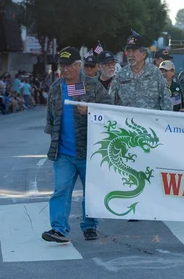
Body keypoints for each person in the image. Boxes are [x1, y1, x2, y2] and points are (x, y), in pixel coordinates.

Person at [42, 47, 113, 243]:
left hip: (88, 150)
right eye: (61, 66)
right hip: (63, 152)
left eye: (68, 66)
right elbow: (50, 116)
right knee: (61, 190)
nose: (64, 69)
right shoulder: (56, 87)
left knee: (90, 191)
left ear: (78, 65)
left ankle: (90, 225)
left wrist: (90, 110)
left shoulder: (92, 85)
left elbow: (109, 108)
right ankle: (59, 229)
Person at [109, 32, 172, 111]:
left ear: (144, 54)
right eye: (128, 51)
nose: (130, 54)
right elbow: (111, 102)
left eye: (134, 51)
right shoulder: (120, 75)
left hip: (151, 121)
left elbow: (166, 100)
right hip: (126, 121)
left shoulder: (156, 73)